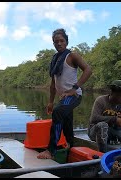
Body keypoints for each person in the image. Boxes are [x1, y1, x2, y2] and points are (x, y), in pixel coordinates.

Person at [37, 28, 92, 159]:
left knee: (58, 112)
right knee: (67, 122)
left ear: (66, 42)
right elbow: (52, 84)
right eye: (56, 42)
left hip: (74, 95)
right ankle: (71, 147)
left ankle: (51, 150)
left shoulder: (72, 56)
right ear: (53, 44)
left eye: (62, 41)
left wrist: (74, 88)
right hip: (64, 97)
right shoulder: (55, 60)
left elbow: (88, 70)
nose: (59, 43)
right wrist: (50, 102)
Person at [88, 80, 121, 152]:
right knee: (103, 125)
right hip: (95, 132)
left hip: (111, 132)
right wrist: (115, 119)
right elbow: (94, 118)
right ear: (112, 93)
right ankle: (102, 154)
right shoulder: (101, 100)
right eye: (119, 95)